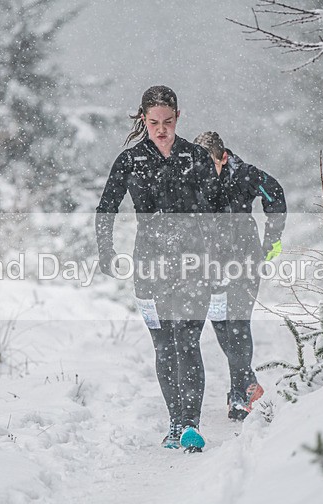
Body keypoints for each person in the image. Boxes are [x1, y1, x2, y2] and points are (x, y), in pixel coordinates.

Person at [96, 86, 224, 452]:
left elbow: (218, 214)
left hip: (194, 262)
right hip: (149, 265)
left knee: (187, 341)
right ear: (143, 119)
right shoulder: (131, 161)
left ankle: (190, 424)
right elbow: (107, 207)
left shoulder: (197, 158)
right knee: (165, 346)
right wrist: (106, 250)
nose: (161, 129)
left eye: (168, 121)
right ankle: (174, 422)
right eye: (154, 122)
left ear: (178, 117)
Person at [193, 131, 287, 420]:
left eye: (209, 164)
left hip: (245, 257)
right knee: (221, 325)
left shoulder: (245, 174)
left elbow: (276, 196)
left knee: (237, 323)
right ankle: (248, 383)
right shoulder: (194, 177)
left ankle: (239, 394)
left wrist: (272, 241)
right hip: (210, 262)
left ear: (223, 157)